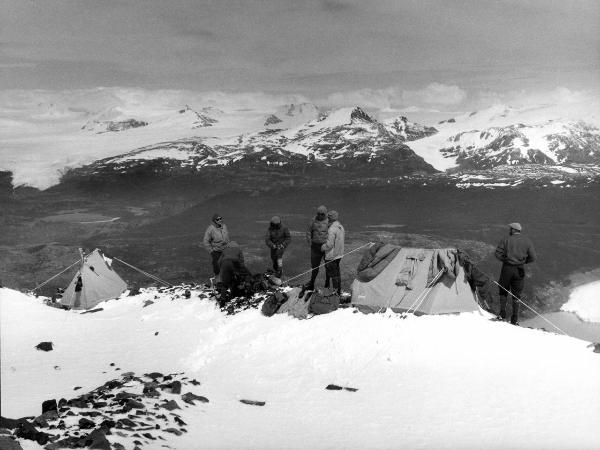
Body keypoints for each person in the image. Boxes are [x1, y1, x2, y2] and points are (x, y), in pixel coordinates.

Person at [494, 222, 537, 325]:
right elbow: (533, 257)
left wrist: (505, 260)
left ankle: (502, 314)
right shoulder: (527, 241)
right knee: (517, 295)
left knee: (503, 290)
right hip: (519, 270)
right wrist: (523, 262)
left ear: (513, 230)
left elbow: (497, 254)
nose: (509, 230)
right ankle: (515, 319)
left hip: (507, 269)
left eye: (510, 229)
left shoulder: (506, 239)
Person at [305, 205, 330, 290]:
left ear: (325, 213)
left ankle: (327, 284)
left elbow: (334, 234)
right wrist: (310, 242)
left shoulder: (329, 221)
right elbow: (308, 232)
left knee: (328, 266)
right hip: (315, 247)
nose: (320, 216)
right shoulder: (313, 220)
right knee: (315, 267)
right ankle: (312, 283)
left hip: (326, 247)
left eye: (322, 214)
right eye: (318, 214)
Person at [321, 210, 345, 295]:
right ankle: (338, 291)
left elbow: (329, 244)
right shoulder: (340, 227)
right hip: (339, 254)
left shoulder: (331, 229)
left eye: (328, 218)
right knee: (337, 274)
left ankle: (335, 294)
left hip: (332, 255)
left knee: (333, 275)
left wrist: (322, 247)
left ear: (330, 218)